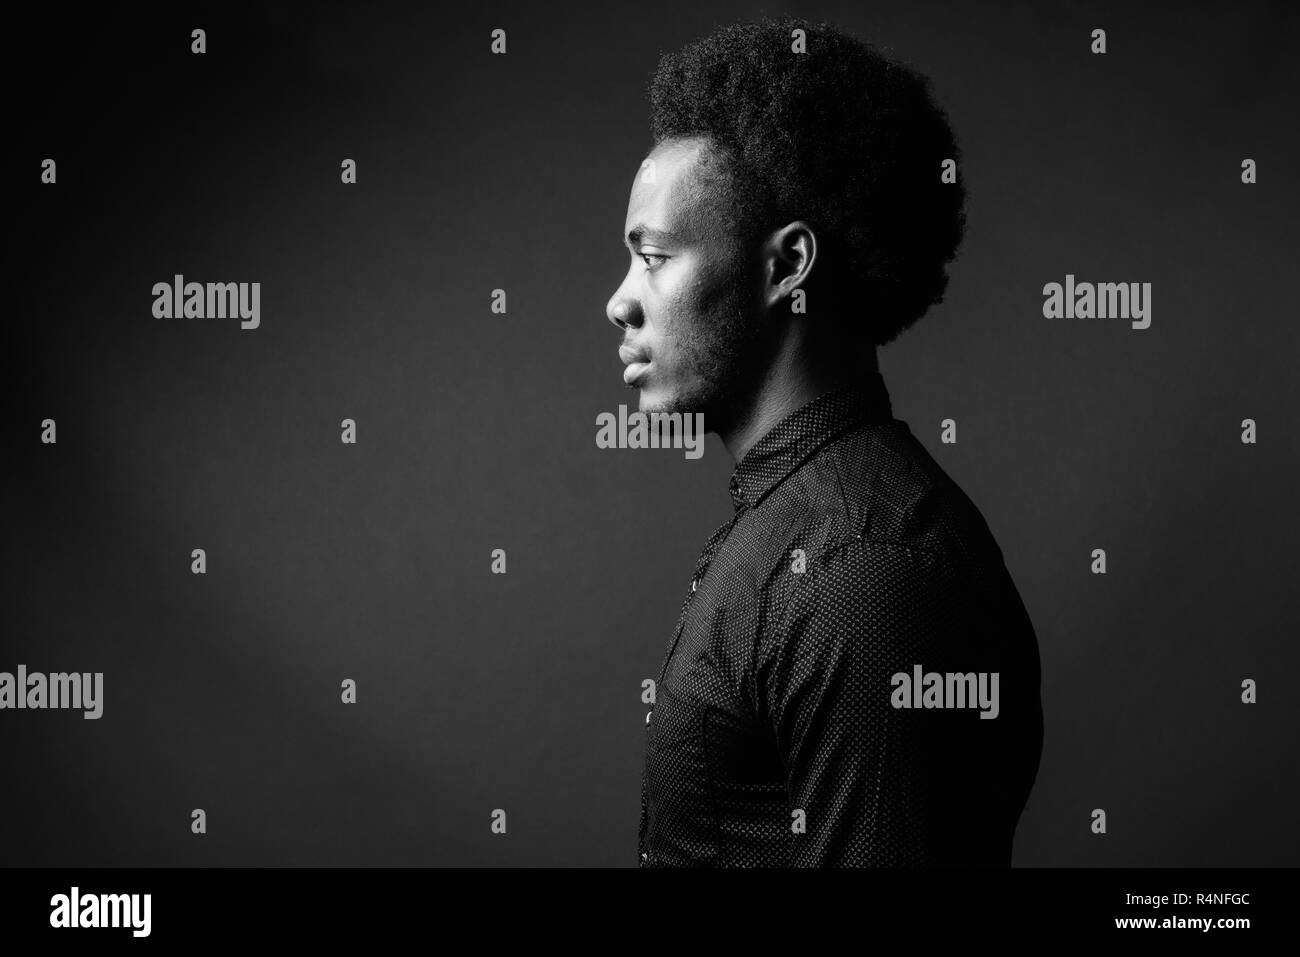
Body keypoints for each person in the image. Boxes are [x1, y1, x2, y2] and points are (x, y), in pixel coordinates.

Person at [606, 16, 1044, 866]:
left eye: (653, 257)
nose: (619, 301)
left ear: (786, 267)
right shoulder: (797, 525)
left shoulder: (864, 573)